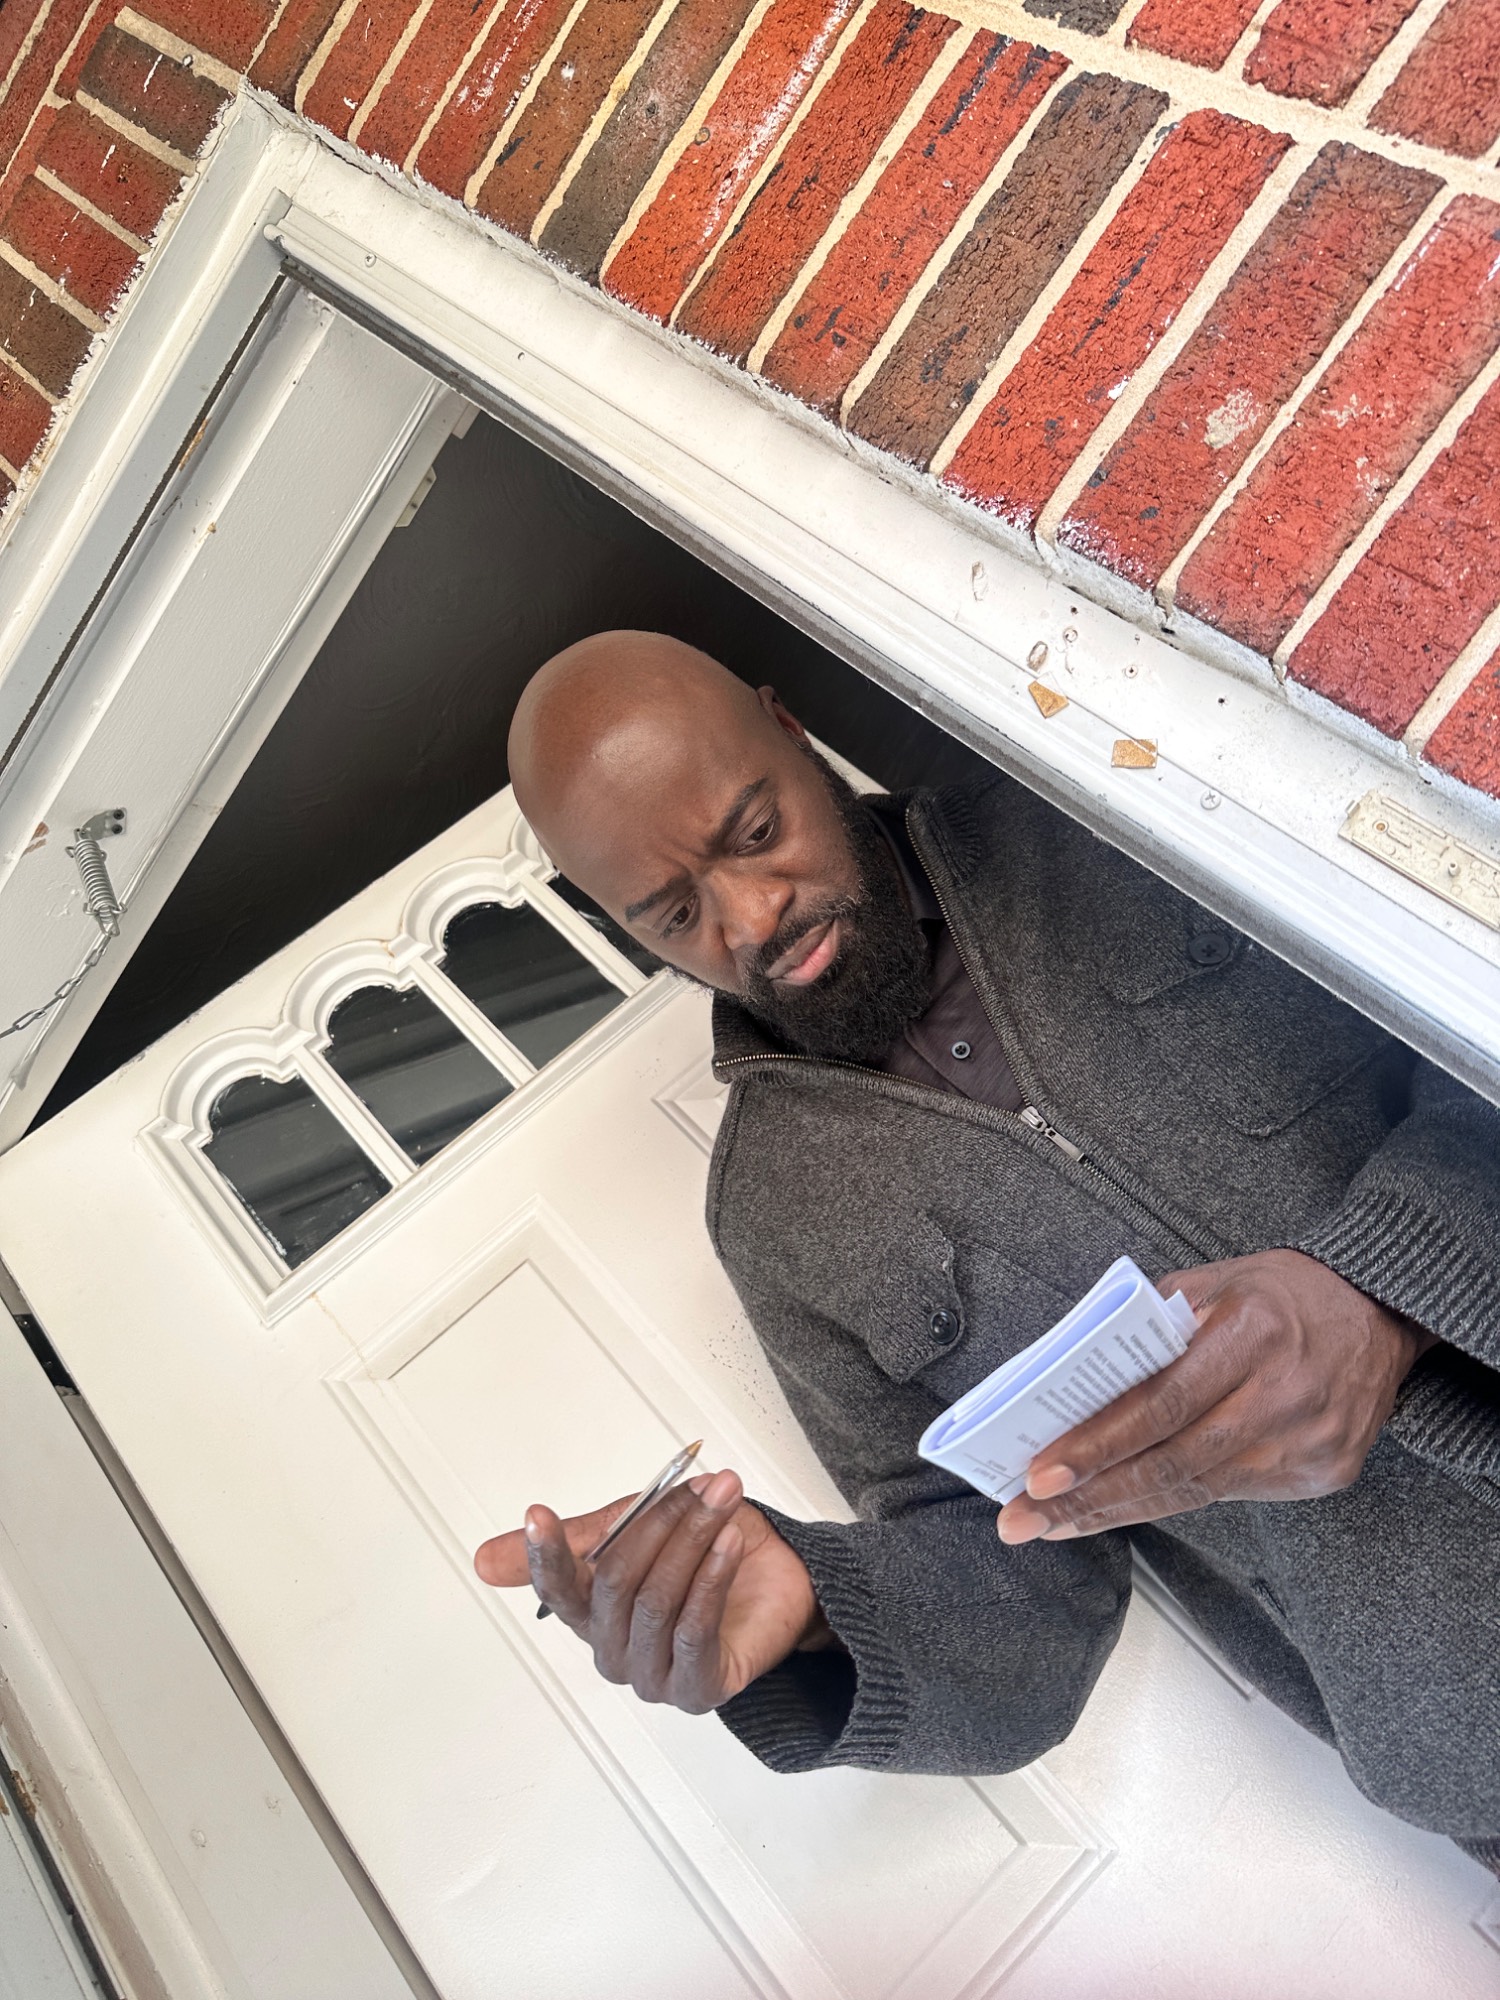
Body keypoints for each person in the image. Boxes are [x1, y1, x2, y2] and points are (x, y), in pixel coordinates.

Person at [477, 629, 1500, 1860]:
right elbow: (1025, 1583)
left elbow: (1472, 1006)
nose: (753, 918)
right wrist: (823, 1611)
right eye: (678, 913)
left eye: (755, 832)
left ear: (790, 729)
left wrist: (1383, 1292)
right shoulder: (774, 1220)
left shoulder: (1102, 806)